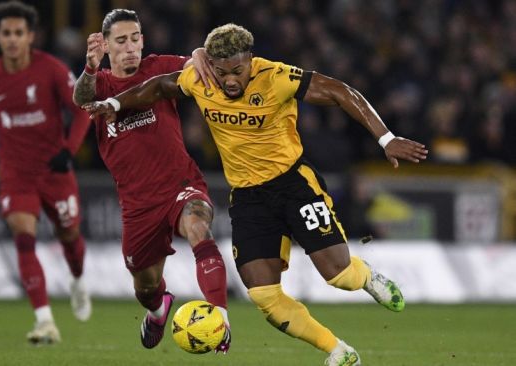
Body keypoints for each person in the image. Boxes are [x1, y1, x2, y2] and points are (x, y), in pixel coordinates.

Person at [83, 23, 429, 365]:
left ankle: (367, 276)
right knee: (264, 297)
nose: (230, 80)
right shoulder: (200, 80)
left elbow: (341, 92)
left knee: (338, 275)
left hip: (293, 184)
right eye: (222, 73)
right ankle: (337, 350)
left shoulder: (276, 77)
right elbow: (158, 87)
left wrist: (386, 139)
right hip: (249, 198)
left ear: (251, 60)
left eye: (238, 70)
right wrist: (114, 102)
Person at [72, 9, 230, 352]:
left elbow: (197, 66)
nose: (130, 47)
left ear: (142, 40)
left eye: (135, 39)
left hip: (180, 183)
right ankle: (159, 311)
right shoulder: (99, 83)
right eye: (121, 41)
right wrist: (89, 67)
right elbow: (80, 98)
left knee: (198, 226)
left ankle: (221, 317)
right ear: (106, 46)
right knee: (145, 287)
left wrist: (202, 53)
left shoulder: (158, 67)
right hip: (138, 204)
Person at [0, 1, 91, 345]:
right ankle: (45, 321)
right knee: (23, 238)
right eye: (6, 33)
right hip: (16, 173)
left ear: (30, 37)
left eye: (18, 33)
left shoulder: (52, 70)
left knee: (69, 236)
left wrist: (69, 150)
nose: (12, 40)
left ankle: (78, 279)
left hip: (54, 171)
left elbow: (82, 110)